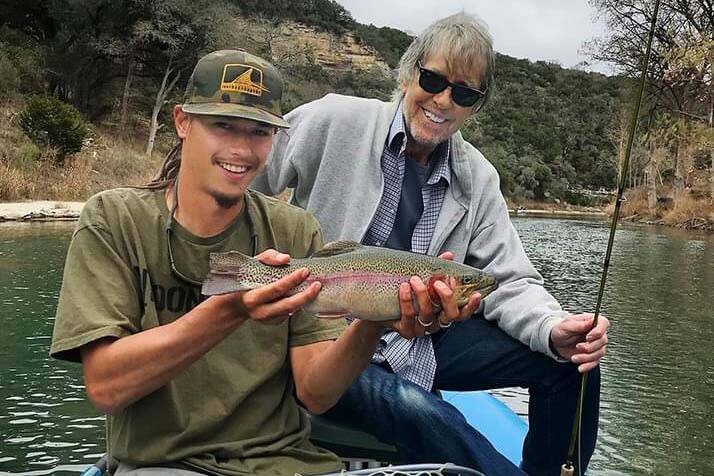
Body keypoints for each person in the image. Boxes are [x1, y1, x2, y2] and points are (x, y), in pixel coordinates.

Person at [49, 50, 440, 476]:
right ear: (182, 122)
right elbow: (106, 387)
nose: (241, 149)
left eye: (259, 132)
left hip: (290, 464)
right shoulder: (115, 220)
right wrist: (231, 309)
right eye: (222, 126)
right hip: (164, 464)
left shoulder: (294, 229)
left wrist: (376, 317)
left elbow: (316, 394)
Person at [252, 13, 610, 476]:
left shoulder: (478, 177)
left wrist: (552, 327)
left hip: (421, 340)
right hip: (323, 340)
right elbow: (244, 171)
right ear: (408, 73)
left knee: (572, 361)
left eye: (463, 92)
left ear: (475, 106)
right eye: (433, 79)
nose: (442, 100)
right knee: (424, 413)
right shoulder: (333, 119)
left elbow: (509, 279)